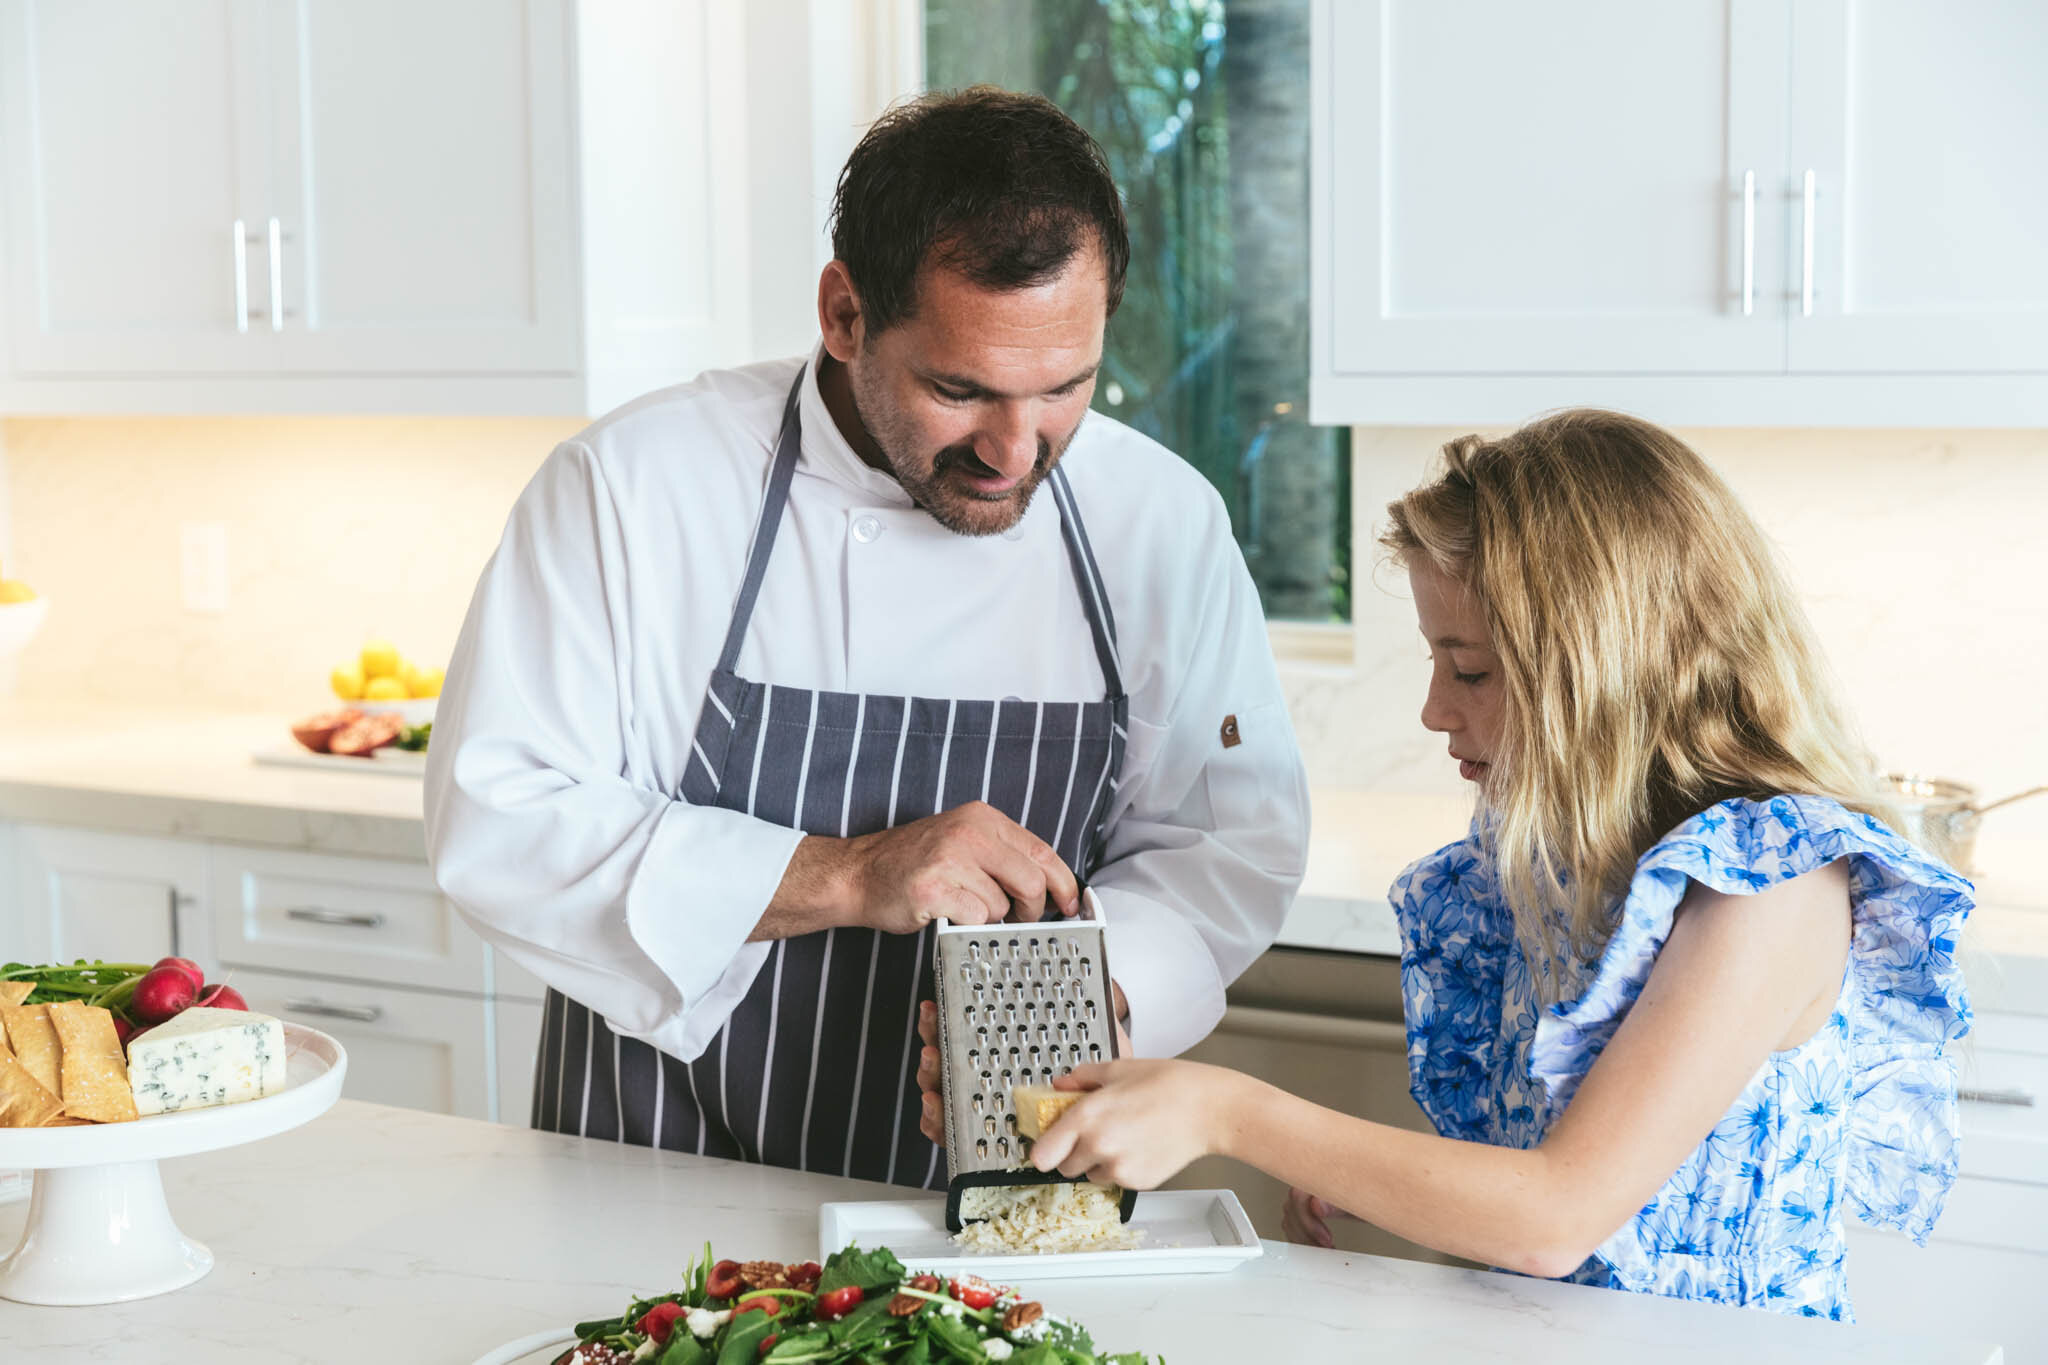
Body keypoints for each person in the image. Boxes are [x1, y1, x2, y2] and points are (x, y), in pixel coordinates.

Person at [421, 86, 1309, 1189]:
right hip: (653, 1175)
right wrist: (846, 875)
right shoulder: (635, 490)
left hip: (1007, 1198)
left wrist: (1099, 994)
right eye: (958, 389)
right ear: (843, 315)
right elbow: (497, 816)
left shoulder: (1158, 522)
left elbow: (1225, 842)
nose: (1013, 451)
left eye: (1065, 387)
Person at [1013, 410, 1973, 1320]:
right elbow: (1532, 1182)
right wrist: (1388, 1192)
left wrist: (1230, 1109)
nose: (1434, 709)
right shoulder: (1557, 868)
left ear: (1601, 666)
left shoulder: (1773, 889)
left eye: (1468, 669)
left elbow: (1559, 1212)